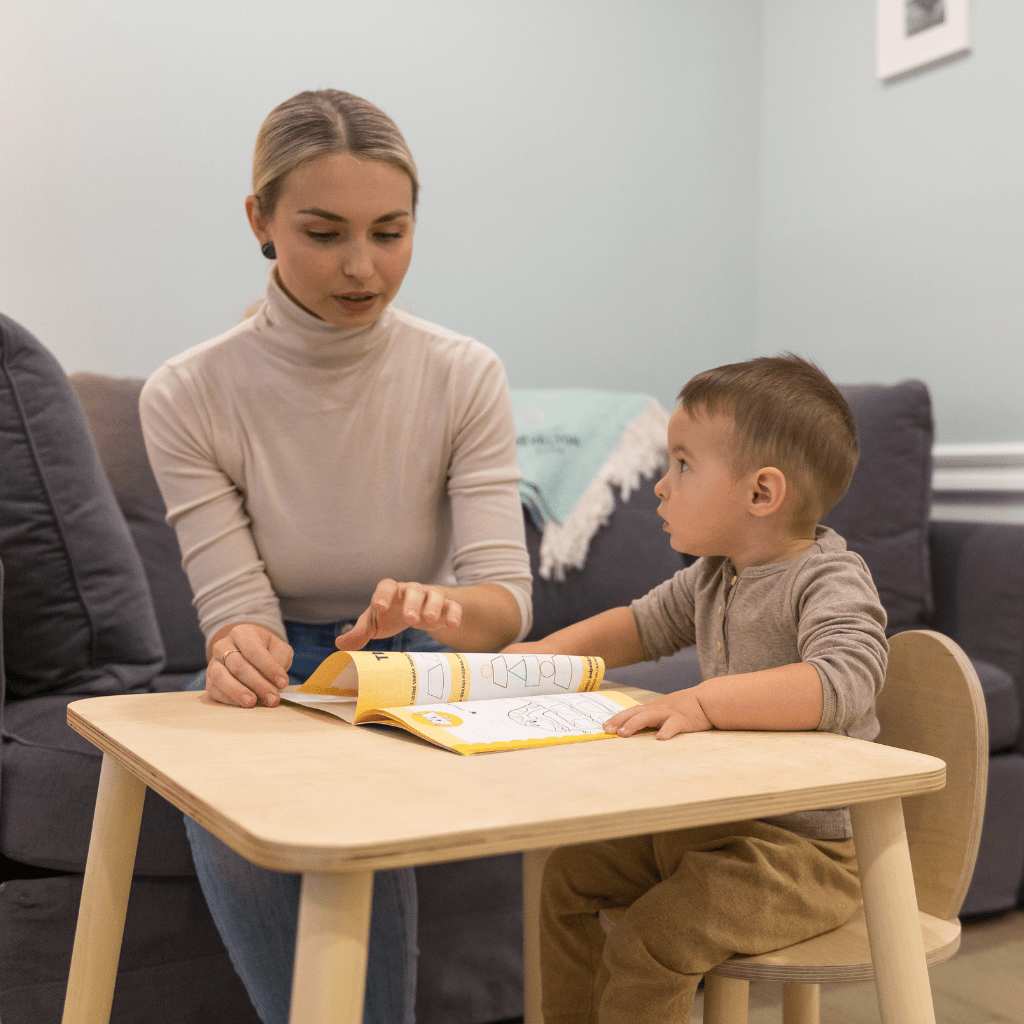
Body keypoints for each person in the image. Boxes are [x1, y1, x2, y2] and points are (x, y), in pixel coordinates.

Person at [140, 89, 533, 1024]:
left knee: (368, 783)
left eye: (390, 232)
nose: (363, 268)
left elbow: (504, 602)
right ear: (261, 222)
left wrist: (441, 611)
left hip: (419, 661)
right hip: (284, 667)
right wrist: (241, 645)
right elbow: (236, 602)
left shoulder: (463, 373)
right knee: (236, 792)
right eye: (324, 233)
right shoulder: (187, 394)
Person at [504, 354, 888, 1023]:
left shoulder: (830, 578)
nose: (660, 485)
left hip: (809, 857)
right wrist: (538, 655)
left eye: (682, 464)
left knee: (658, 934)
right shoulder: (713, 575)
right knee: (567, 879)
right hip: (717, 830)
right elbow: (637, 625)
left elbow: (842, 680)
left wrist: (706, 701)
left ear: (761, 494)